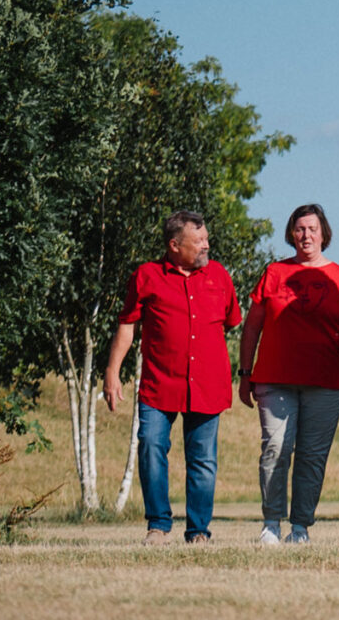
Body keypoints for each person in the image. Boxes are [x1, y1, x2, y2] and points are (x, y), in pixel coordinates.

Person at [103, 211, 242, 544]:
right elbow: (127, 325)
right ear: (174, 245)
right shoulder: (146, 276)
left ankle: (198, 532)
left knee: (203, 460)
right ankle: (158, 525)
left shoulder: (219, 275)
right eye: (199, 241)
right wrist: (112, 372)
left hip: (207, 386)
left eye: (206, 238)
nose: (207, 245)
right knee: (151, 446)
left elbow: (230, 321)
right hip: (159, 384)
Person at [235, 204, 339, 544]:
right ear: (291, 234)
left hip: (326, 379)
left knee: (312, 455)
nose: (305, 235)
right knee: (275, 448)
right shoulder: (274, 272)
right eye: (299, 229)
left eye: (312, 229)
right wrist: (245, 373)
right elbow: (252, 327)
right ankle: (271, 524)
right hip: (274, 377)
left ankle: (300, 528)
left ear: (323, 233)